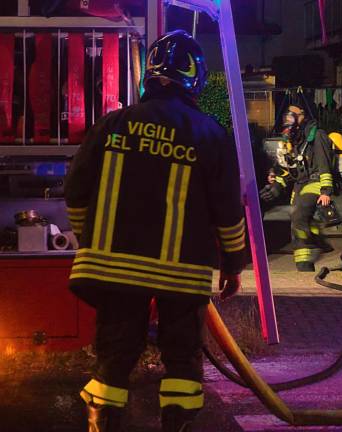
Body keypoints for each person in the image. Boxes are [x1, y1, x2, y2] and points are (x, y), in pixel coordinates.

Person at [65, 30, 245, 432]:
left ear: (148, 74)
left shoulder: (112, 125)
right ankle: (176, 425)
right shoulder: (210, 134)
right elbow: (228, 211)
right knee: (182, 356)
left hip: (113, 269)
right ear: (195, 78)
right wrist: (233, 265)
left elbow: (75, 192)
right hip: (181, 273)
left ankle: (100, 421)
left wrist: (89, 241)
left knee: (115, 352)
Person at [259, 105, 335, 272]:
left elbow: (324, 164)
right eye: (288, 114)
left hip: (315, 183)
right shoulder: (295, 140)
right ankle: (313, 248)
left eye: (294, 114)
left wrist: (326, 191)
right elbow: (289, 170)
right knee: (299, 221)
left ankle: (305, 265)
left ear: (304, 116)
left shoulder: (317, 136)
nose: (289, 118)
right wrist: (277, 186)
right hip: (300, 185)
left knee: (298, 217)